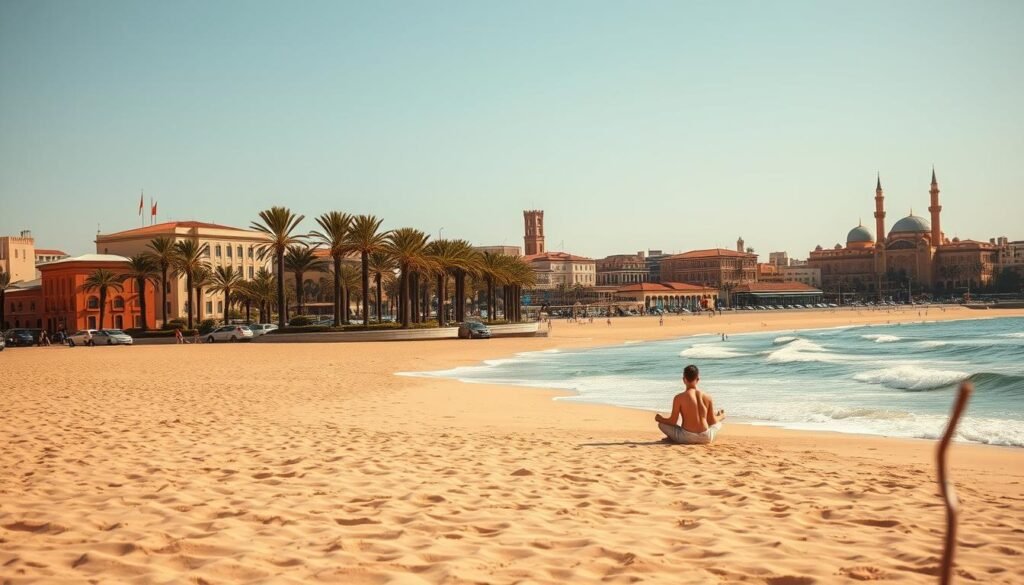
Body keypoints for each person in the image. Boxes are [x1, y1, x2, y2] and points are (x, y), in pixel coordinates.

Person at [654, 365, 725, 445]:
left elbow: (673, 421)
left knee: (661, 425)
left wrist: (660, 419)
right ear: (698, 379)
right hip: (706, 437)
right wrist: (721, 416)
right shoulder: (708, 397)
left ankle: (671, 437)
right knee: (718, 424)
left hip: (686, 437)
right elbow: (712, 421)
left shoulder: (679, 398)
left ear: (684, 380)